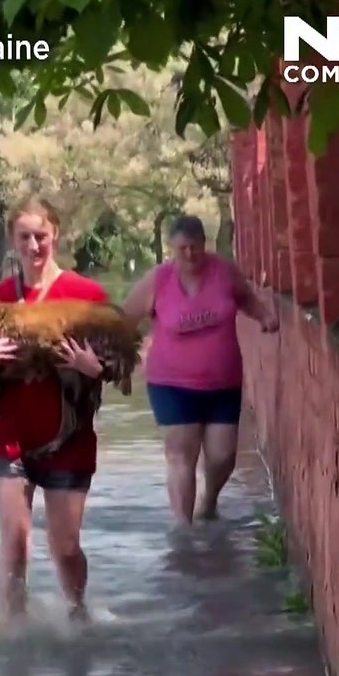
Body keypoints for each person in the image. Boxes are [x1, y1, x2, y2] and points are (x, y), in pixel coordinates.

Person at [0, 196, 109, 627]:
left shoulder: (86, 295)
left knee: (65, 548)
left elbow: (118, 364)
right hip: (9, 435)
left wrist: (91, 368)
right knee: (17, 537)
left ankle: (78, 611)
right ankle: (13, 631)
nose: (33, 245)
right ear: (13, 239)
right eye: (24, 236)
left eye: (41, 236)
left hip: (69, 437)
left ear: (55, 235)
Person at [122, 215, 279, 526]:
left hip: (223, 383)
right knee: (181, 455)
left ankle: (208, 503)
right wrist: (122, 361)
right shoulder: (158, 280)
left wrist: (264, 316)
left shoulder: (224, 272)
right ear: (172, 248)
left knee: (223, 456)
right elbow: (125, 320)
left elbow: (247, 298)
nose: (190, 254)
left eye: (195, 247)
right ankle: (184, 533)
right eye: (183, 249)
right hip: (171, 383)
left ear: (204, 244)